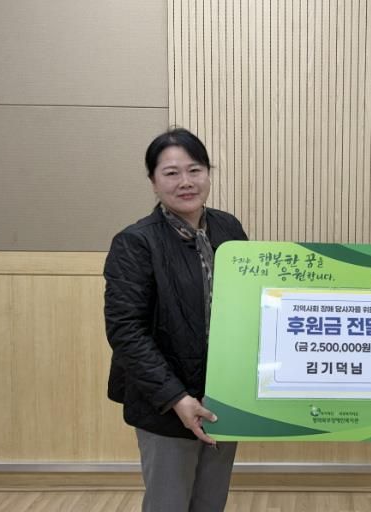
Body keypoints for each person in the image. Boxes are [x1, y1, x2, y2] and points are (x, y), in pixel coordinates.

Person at [104, 128, 248, 511]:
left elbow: (249, 306)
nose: (185, 182)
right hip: (166, 403)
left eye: (194, 170)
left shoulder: (229, 229)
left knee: (210, 501)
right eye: (171, 173)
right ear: (153, 182)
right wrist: (176, 398)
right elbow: (126, 331)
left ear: (208, 174)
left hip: (222, 397)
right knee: (168, 502)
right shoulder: (135, 242)